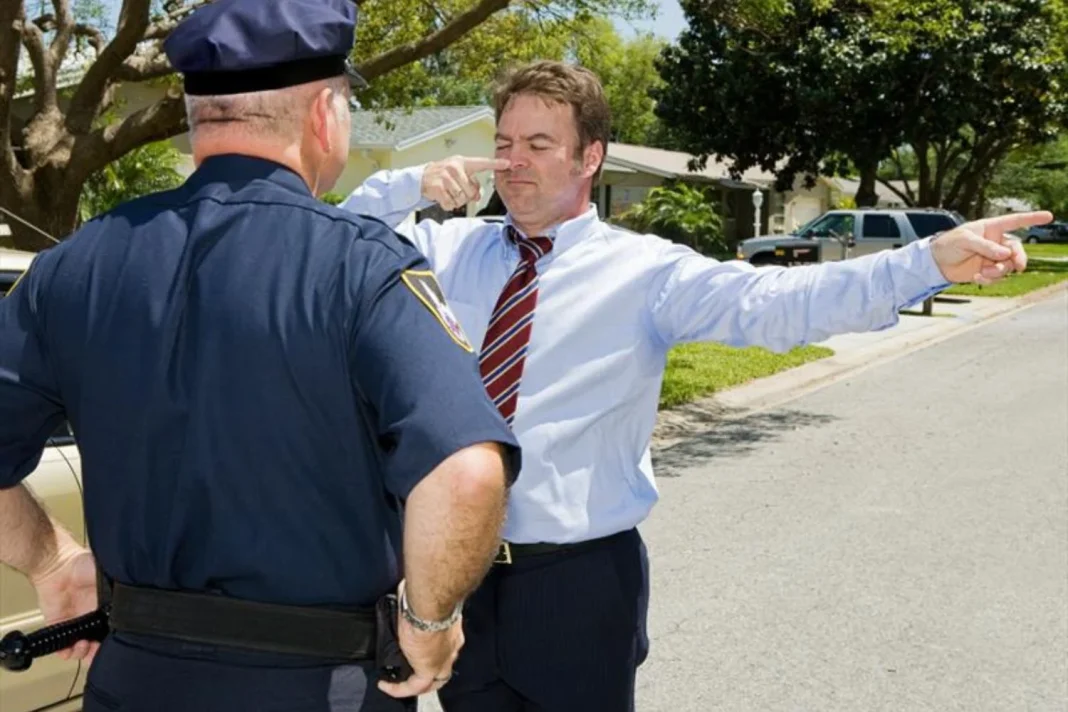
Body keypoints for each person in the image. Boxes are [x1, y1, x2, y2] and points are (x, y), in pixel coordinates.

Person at [339, 59, 1052, 711]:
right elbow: (334, 247)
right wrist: (410, 185)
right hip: (447, 579)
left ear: (591, 157)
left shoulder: (646, 273)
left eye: (539, 144)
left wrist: (926, 261)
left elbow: (780, 301)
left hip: (577, 584)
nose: (512, 162)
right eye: (504, 143)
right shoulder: (441, 250)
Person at [0, 1, 522, 710]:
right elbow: (466, 473)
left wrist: (52, 560)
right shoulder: (361, 266)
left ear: (198, 118)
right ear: (324, 115)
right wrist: (430, 622)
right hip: (319, 688)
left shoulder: (76, 265)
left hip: (135, 682)